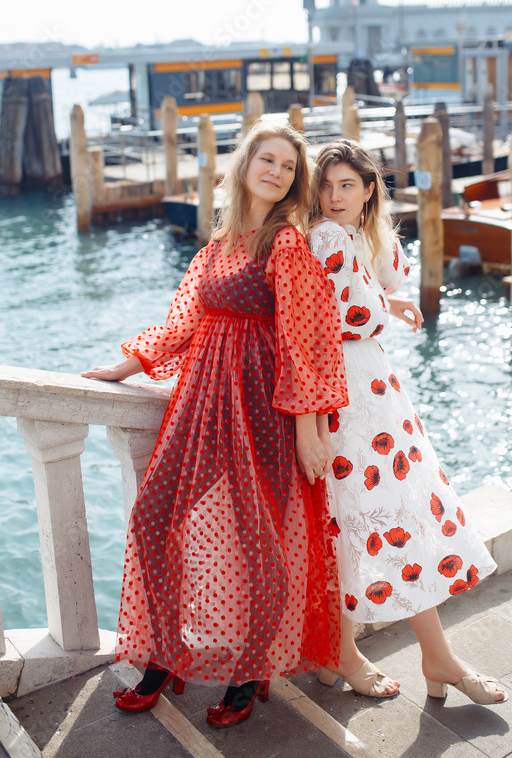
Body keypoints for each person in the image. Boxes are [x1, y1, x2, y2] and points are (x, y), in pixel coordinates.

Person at [82, 124, 348, 727]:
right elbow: (184, 322)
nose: (277, 172)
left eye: (288, 166)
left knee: (264, 547)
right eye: (268, 159)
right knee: (155, 516)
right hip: (202, 402)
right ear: (246, 163)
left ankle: (250, 671)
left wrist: (309, 430)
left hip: (262, 410)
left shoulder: (286, 244)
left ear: (293, 182)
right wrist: (125, 364)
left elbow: (304, 343)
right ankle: (163, 655)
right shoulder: (220, 242)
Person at [308, 140, 507, 706]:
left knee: (348, 521)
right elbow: (327, 321)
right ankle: (430, 657)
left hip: (366, 396)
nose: (333, 196)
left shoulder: (347, 236)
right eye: (325, 186)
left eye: (347, 184)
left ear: (370, 188)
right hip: (347, 401)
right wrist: (378, 305)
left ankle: (343, 654)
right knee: (385, 516)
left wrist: (381, 299)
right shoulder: (326, 236)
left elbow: (374, 288)